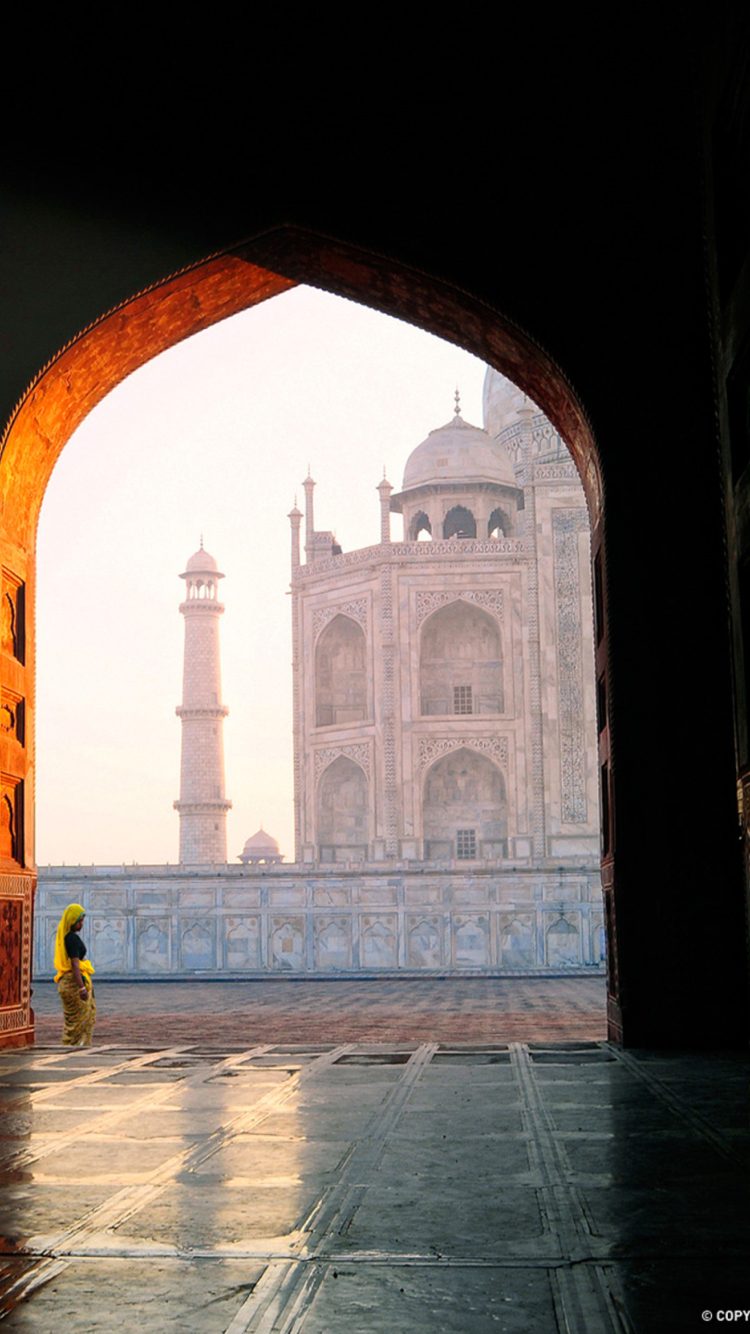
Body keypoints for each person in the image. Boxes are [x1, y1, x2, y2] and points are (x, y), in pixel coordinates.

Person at [54, 903, 96, 1046]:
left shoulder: (67, 937)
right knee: (79, 1023)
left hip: (66, 983)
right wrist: (81, 988)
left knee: (74, 1023)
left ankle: (70, 1048)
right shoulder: (71, 939)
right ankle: (72, 1049)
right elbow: (75, 964)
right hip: (73, 983)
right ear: (72, 920)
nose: (81, 924)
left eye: (82, 920)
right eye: (80, 921)